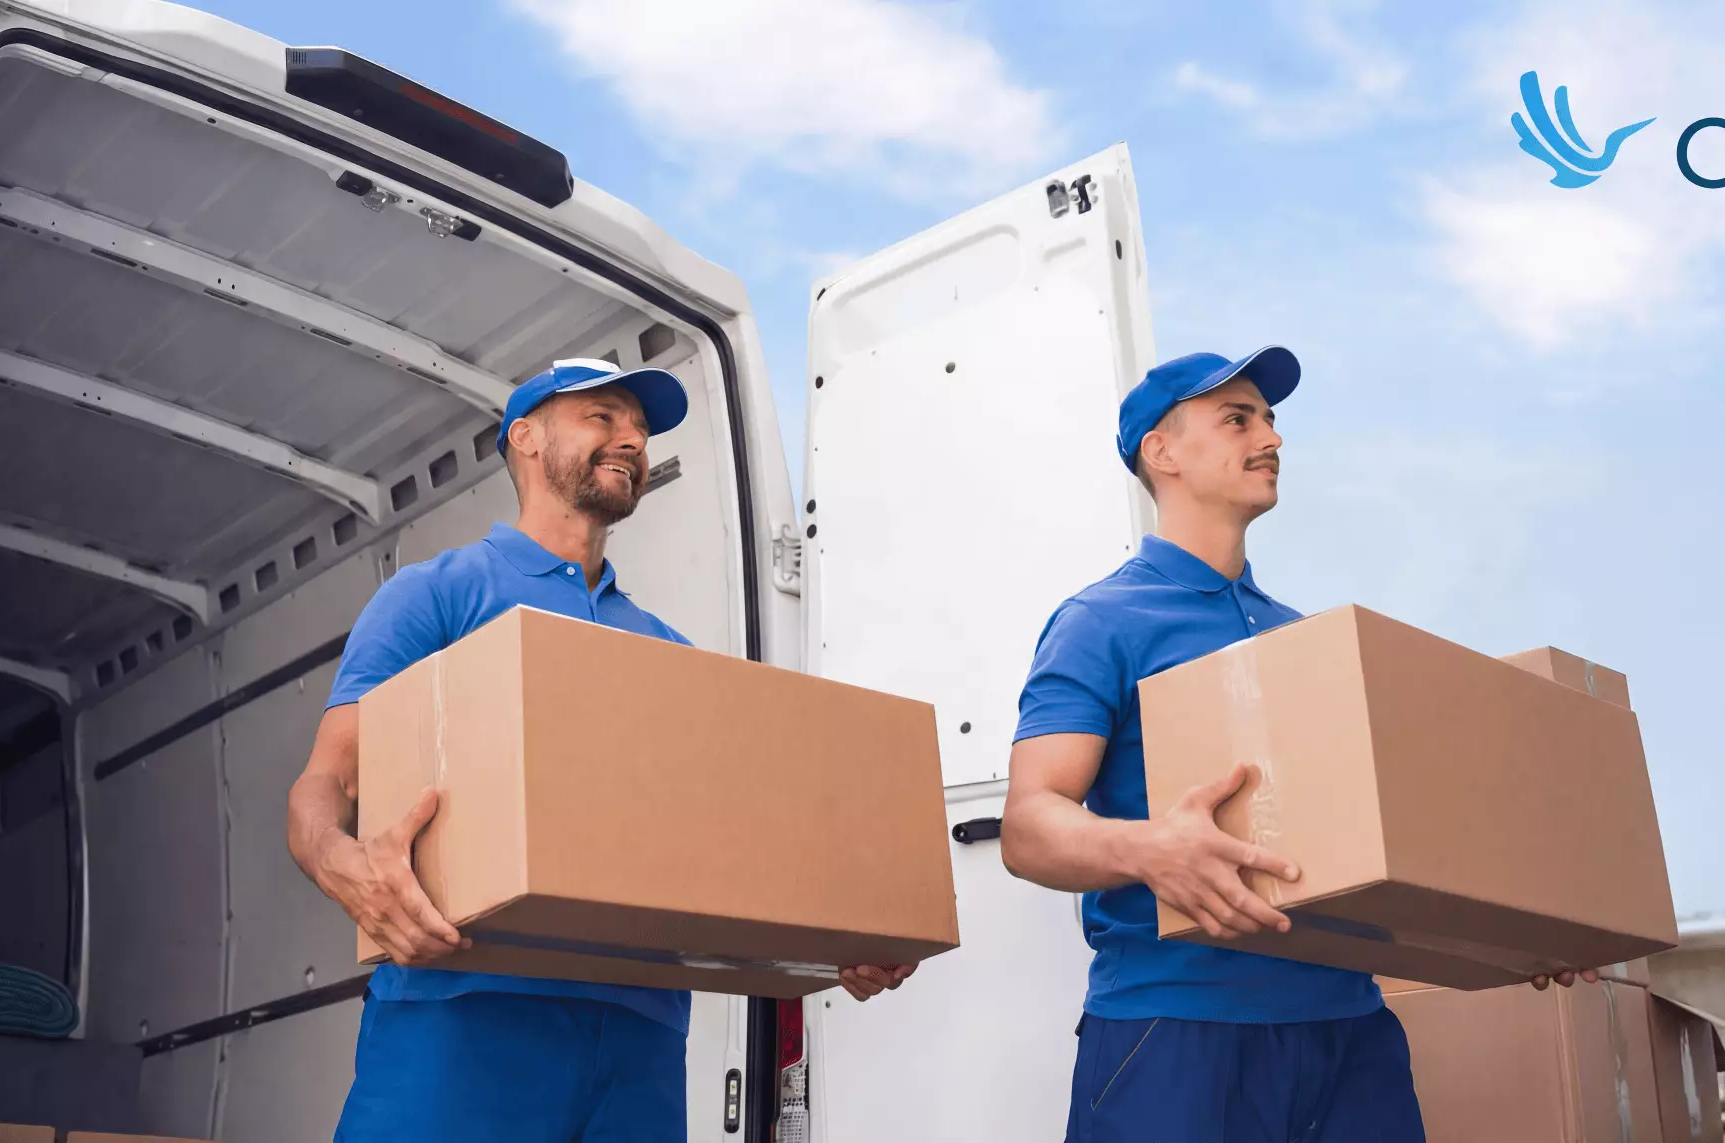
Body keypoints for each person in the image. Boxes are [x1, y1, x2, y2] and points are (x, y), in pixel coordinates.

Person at [287, 359, 914, 1142]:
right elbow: (328, 778)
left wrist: (842, 943)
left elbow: (742, 847)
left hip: (638, 1029)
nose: (631, 439)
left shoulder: (668, 651)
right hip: (464, 1008)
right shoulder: (438, 594)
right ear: (525, 437)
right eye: (605, 416)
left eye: (642, 430)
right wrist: (339, 863)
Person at [999, 347, 1593, 1142]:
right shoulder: (1102, 621)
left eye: (1272, 419)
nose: (1271, 437)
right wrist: (1151, 848)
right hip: (1177, 1027)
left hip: (1348, 1029)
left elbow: (1389, 840)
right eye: (1238, 418)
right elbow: (1029, 824)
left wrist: (1517, 935)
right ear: (1161, 450)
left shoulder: (1304, 642)